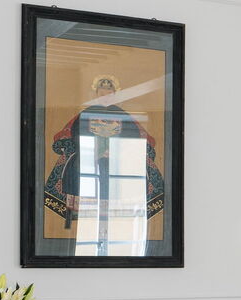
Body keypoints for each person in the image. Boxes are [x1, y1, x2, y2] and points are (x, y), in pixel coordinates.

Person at [40, 74, 166, 229]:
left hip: (119, 157)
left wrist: (115, 150)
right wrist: (97, 149)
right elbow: (77, 133)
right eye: (102, 94)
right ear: (96, 95)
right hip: (90, 156)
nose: (105, 97)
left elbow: (133, 135)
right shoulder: (86, 113)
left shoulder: (123, 115)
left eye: (109, 94)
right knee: (74, 168)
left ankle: (127, 212)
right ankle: (79, 212)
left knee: (136, 169)